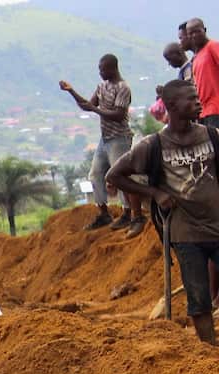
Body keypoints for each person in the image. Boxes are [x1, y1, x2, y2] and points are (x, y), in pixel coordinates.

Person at [109, 79, 219, 345]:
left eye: (197, 97)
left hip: (218, 225)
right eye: (191, 99)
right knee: (198, 298)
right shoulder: (152, 146)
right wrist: (155, 193)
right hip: (185, 233)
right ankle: (209, 353)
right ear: (172, 105)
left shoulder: (212, 136)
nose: (197, 102)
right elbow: (115, 175)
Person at [60, 55, 145, 235]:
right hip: (105, 139)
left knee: (119, 176)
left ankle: (128, 213)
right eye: (99, 69)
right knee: (96, 174)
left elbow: (119, 115)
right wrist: (71, 91)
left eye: (103, 69)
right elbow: (87, 105)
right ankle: (104, 213)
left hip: (120, 138)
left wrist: (95, 110)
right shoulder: (102, 87)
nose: (100, 73)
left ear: (113, 68)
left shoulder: (123, 88)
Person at [185, 19, 219, 129]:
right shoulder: (196, 57)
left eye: (197, 31)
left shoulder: (212, 47)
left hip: (216, 108)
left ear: (204, 30)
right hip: (204, 112)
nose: (194, 36)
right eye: (190, 33)